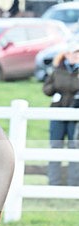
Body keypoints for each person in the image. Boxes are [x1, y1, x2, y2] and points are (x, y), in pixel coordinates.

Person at [43, 43, 79, 186]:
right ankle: (54, 182)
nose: (76, 56)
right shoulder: (58, 71)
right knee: (55, 147)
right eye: (74, 53)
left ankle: (73, 182)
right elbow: (46, 89)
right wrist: (55, 88)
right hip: (58, 114)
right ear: (67, 55)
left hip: (74, 116)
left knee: (73, 148)